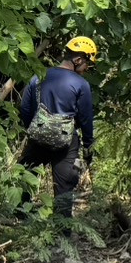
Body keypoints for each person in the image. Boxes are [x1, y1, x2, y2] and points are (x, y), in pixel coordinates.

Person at [18, 36, 98, 219]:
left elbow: (26, 108)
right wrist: (88, 146)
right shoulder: (81, 85)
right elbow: (86, 119)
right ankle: (62, 233)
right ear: (78, 60)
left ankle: (21, 220)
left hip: (38, 135)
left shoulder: (40, 76)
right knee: (63, 188)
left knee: (23, 175)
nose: (87, 70)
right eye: (87, 65)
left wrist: (35, 129)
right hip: (66, 141)